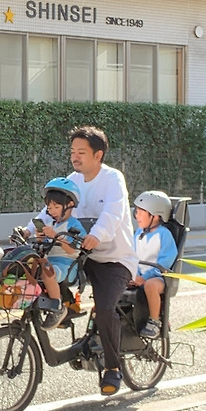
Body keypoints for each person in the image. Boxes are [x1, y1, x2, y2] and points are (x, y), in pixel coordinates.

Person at [66, 125, 137, 396]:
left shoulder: (112, 178)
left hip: (114, 259)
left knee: (105, 308)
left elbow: (113, 213)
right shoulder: (72, 180)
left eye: (81, 152)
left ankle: (112, 368)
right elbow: (53, 208)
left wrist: (97, 235)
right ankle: (65, 312)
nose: (75, 157)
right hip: (84, 255)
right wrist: (30, 229)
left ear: (98, 155)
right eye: (73, 151)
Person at [30, 177, 87, 327]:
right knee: (30, 267)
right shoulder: (51, 224)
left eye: (56, 207)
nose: (52, 211)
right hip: (50, 261)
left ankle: (57, 308)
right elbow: (47, 245)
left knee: (46, 271)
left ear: (70, 205)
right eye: (49, 207)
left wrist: (55, 236)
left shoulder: (74, 225)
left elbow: (73, 249)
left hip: (66, 265)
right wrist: (41, 237)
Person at [131, 190, 177, 338]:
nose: (137, 216)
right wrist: (134, 275)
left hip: (159, 277)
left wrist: (145, 277)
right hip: (139, 276)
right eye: (136, 212)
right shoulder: (138, 233)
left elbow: (165, 262)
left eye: (141, 212)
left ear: (156, 215)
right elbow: (132, 256)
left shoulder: (164, 234)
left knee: (150, 285)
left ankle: (155, 321)